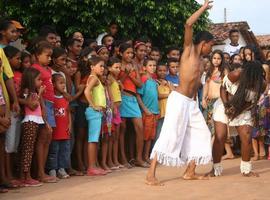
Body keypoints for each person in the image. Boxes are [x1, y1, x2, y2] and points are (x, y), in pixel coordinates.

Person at [146, 0, 213, 186]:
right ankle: (150, 174)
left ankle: (190, 172)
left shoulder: (202, 61)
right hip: (179, 100)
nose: (211, 49)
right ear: (204, 43)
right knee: (170, 135)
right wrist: (204, 7)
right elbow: (189, 24)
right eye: (211, 45)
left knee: (202, 134)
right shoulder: (189, 51)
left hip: (191, 103)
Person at [210, 61, 265, 177]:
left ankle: (246, 170)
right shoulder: (236, 74)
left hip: (243, 110)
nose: (253, 79)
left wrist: (238, 111)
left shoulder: (262, 84)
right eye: (251, 76)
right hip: (224, 104)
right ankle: (215, 168)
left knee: (247, 136)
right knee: (220, 137)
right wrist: (227, 106)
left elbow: (252, 102)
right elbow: (223, 88)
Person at [119, 43, 147, 168]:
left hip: (133, 99)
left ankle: (139, 158)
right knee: (122, 130)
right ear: (121, 53)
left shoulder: (134, 66)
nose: (130, 55)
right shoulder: (117, 65)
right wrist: (125, 73)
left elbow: (140, 84)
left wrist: (130, 74)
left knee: (140, 129)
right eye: (127, 53)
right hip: (122, 98)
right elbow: (117, 82)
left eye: (131, 53)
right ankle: (124, 159)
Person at [32, 41, 57, 183]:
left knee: (47, 138)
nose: (49, 59)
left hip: (50, 104)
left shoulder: (47, 69)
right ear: (37, 55)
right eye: (47, 56)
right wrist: (42, 108)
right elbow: (36, 90)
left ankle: (42, 171)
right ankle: (40, 172)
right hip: (42, 104)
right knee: (42, 138)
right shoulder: (35, 69)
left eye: (50, 56)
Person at [19, 67, 44, 187]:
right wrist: (39, 93)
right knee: (27, 150)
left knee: (30, 149)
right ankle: (25, 176)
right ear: (30, 80)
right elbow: (33, 105)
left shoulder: (32, 92)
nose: (41, 82)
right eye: (38, 79)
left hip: (34, 122)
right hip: (30, 121)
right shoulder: (27, 91)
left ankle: (27, 175)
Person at [84, 56, 107, 176]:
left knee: (95, 139)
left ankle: (94, 165)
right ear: (92, 67)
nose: (103, 68)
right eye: (100, 66)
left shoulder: (95, 78)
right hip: (94, 112)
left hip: (97, 112)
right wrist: (93, 105)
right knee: (93, 140)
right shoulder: (94, 78)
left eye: (103, 66)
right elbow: (86, 91)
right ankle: (91, 167)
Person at [3, 46, 22, 186]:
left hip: (10, 111)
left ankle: (8, 175)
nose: (19, 61)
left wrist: (16, 101)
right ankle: (7, 175)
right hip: (5, 113)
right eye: (17, 58)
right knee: (7, 146)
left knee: (10, 145)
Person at [47, 73, 71, 179]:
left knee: (64, 150)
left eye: (64, 83)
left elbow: (68, 112)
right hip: (55, 130)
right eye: (60, 83)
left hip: (64, 129)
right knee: (54, 150)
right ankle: (52, 169)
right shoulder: (51, 98)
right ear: (53, 84)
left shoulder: (65, 98)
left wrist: (70, 124)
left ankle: (62, 168)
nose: (63, 85)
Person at [137, 59, 159, 163]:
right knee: (145, 136)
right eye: (150, 65)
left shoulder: (154, 81)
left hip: (154, 112)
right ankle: (141, 158)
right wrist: (145, 109)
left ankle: (147, 157)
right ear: (144, 67)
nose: (153, 67)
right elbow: (138, 95)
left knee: (151, 137)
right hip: (147, 112)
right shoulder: (144, 79)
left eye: (154, 65)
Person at [202, 50, 226, 141]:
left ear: (222, 60)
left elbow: (227, 86)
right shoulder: (209, 71)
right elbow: (206, 86)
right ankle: (209, 151)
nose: (216, 60)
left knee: (217, 127)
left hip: (219, 102)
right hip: (209, 101)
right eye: (214, 58)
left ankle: (212, 151)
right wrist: (203, 99)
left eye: (219, 58)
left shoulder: (224, 71)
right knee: (208, 126)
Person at [107, 57, 124, 168]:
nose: (118, 69)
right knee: (111, 137)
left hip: (117, 110)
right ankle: (110, 161)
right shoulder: (109, 78)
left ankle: (115, 160)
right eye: (116, 67)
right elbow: (110, 94)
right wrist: (113, 106)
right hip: (113, 110)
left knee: (116, 136)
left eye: (119, 67)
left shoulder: (115, 79)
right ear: (109, 68)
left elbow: (120, 91)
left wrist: (120, 85)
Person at [251, 63, 269, 161]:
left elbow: (265, 93)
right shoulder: (251, 81)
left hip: (262, 109)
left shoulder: (264, 82)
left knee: (261, 132)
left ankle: (262, 151)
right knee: (253, 132)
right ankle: (256, 153)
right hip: (253, 108)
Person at [154, 63, 174, 144]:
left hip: (168, 112)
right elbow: (157, 96)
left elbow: (175, 94)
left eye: (164, 71)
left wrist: (168, 86)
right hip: (160, 112)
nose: (162, 72)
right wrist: (169, 94)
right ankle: (155, 153)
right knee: (158, 134)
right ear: (156, 71)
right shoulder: (155, 82)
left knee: (168, 134)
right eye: (160, 70)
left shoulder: (169, 83)